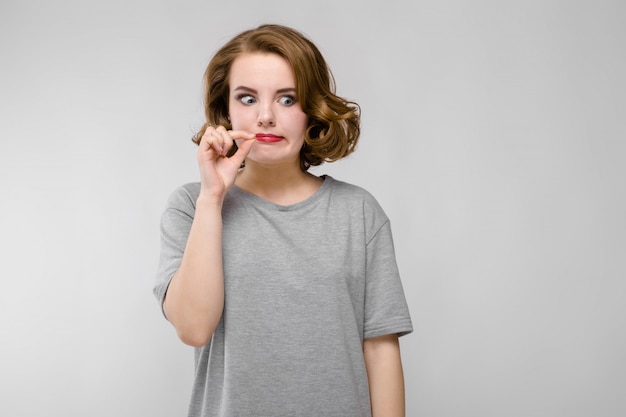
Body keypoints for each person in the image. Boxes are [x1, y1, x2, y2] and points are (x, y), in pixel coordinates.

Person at [154, 24, 413, 417]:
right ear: (226, 109)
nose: (266, 117)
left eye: (287, 99)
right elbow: (193, 328)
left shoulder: (358, 213)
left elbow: (380, 351)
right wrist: (213, 197)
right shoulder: (191, 205)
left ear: (312, 108)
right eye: (247, 98)